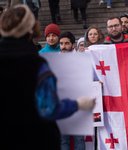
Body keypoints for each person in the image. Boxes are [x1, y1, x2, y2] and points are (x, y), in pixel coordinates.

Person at [0, 4, 95, 149]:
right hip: (35, 138)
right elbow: (48, 109)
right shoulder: (36, 64)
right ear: (31, 29)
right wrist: (78, 104)